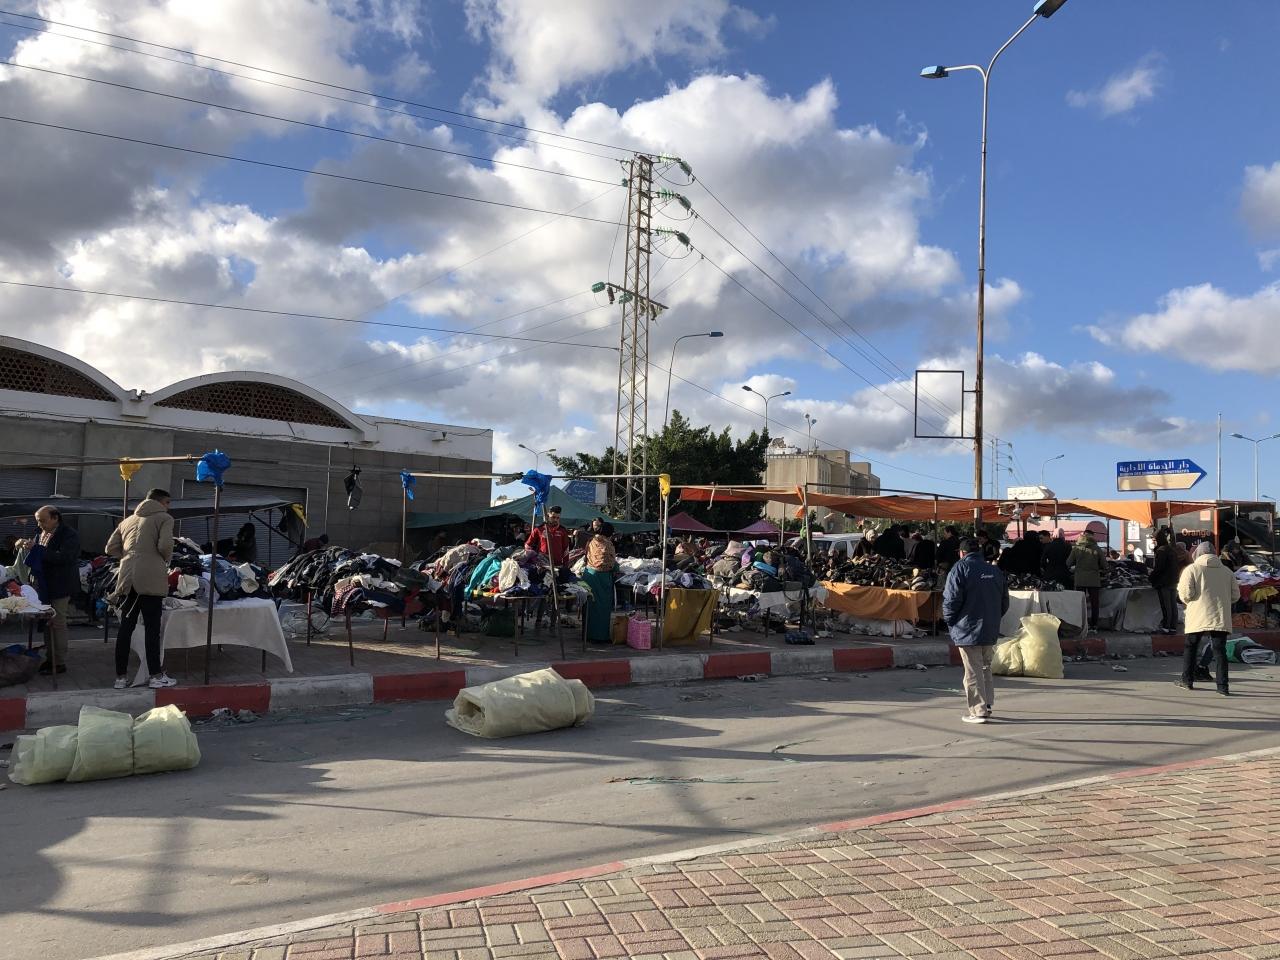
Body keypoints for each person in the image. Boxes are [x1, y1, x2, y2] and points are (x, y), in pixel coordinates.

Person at [106, 489, 177, 689]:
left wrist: (130, 557)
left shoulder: (127, 521)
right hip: (151, 578)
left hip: (127, 578)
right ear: (162, 501)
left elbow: (110, 548)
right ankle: (155, 675)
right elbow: (165, 545)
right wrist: (161, 559)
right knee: (152, 629)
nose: (168, 506)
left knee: (125, 628)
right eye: (168, 502)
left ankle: (120, 678)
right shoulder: (165, 518)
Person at [943, 538, 1010, 725]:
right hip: (989, 627)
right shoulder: (994, 570)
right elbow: (1005, 601)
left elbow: (951, 600)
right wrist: (993, 618)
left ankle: (978, 711)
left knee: (973, 671)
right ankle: (987, 704)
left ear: (962, 553)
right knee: (985, 667)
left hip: (967, 628)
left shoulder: (960, 569)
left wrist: (950, 621)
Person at [16, 506, 81, 675]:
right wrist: (26, 545)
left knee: (57, 622)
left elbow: (65, 557)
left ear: (55, 518)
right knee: (46, 621)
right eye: (38, 521)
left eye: (43, 521)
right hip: (44, 585)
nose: (40, 524)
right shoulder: (40, 533)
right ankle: (50, 658)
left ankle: (59, 662)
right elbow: (39, 553)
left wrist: (37, 550)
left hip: (61, 584)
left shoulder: (69, 534)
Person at [1175, 542, 1240, 696]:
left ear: (1198, 553)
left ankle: (1187, 681)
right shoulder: (1227, 571)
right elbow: (1235, 595)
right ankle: (1223, 687)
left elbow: (1185, 595)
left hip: (1197, 614)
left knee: (1191, 647)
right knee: (1219, 651)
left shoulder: (1191, 569)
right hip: (1219, 614)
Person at [582, 521, 617, 644]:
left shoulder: (591, 541)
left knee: (589, 607)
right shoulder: (608, 544)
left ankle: (587, 634)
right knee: (602, 609)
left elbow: (586, 557)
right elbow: (611, 563)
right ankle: (600, 637)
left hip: (588, 576)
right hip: (602, 578)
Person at [1068, 529, 1106, 631]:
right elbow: (1105, 565)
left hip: (1079, 579)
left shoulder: (1076, 549)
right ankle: (1094, 625)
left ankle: (1080, 624)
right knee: (1094, 603)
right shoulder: (1097, 549)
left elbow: (1068, 563)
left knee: (1079, 603)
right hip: (1094, 579)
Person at [1149, 528, 1180, 635]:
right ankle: (1173, 627)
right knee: (1173, 604)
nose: (1153, 541)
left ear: (1158, 539)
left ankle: (1166, 626)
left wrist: (1151, 578)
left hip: (1164, 582)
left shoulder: (1161, 550)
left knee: (1166, 605)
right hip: (1173, 581)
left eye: (1154, 539)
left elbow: (1159, 568)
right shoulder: (1171, 549)